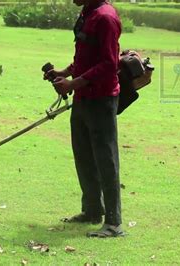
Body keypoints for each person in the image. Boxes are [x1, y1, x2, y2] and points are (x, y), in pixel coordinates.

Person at [44, 0, 123, 237]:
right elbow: (86, 56)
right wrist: (64, 73)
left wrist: (72, 83)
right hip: (83, 98)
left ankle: (113, 223)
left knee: (105, 159)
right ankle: (92, 210)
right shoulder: (88, 12)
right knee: (84, 155)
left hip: (101, 100)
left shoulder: (106, 17)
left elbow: (109, 64)